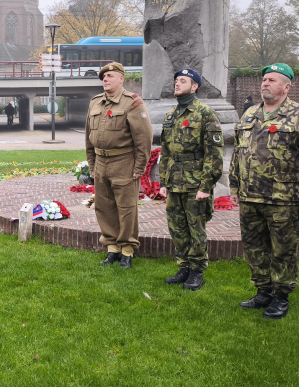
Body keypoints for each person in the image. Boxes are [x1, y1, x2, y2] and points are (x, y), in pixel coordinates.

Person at [229, 63, 299, 320]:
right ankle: (263, 291)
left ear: (286, 86)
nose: (265, 83)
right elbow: (238, 152)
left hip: (283, 199)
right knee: (253, 247)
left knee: (283, 249)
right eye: (263, 79)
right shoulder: (249, 113)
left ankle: (281, 296)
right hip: (250, 196)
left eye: (271, 80)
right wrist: (235, 185)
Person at [84, 61, 153, 268]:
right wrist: (92, 163)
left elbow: (144, 138)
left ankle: (127, 250)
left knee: (126, 208)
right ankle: (112, 248)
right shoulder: (95, 102)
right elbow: (89, 137)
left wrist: (139, 167)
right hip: (101, 162)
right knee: (104, 207)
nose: (105, 79)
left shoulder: (132, 102)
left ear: (121, 79)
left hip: (123, 162)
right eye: (103, 77)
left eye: (110, 76)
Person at [160, 68, 223, 291]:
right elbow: (165, 152)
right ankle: (184, 266)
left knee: (196, 229)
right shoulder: (171, 115)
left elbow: (214, 154)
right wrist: (163, 182)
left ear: (194, 86)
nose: (177, 84)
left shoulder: (206, 114)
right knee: (177, 227)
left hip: (195, 182)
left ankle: (197, 270)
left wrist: (206, 186)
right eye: (176, 80)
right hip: (175, 181)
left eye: (183, 81)